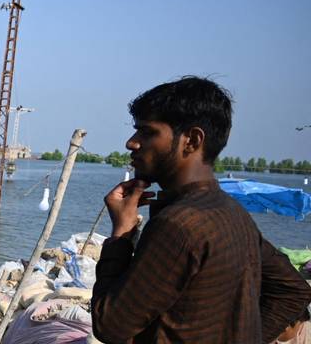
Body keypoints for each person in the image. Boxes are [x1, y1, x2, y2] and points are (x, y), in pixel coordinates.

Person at [90, 76, 311, 343]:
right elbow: (293, 288)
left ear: (192, 141)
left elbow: (111, 325)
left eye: (147, 132)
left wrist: (122, 234)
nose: (132, 143)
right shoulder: (231, 212)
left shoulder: (178, 224)